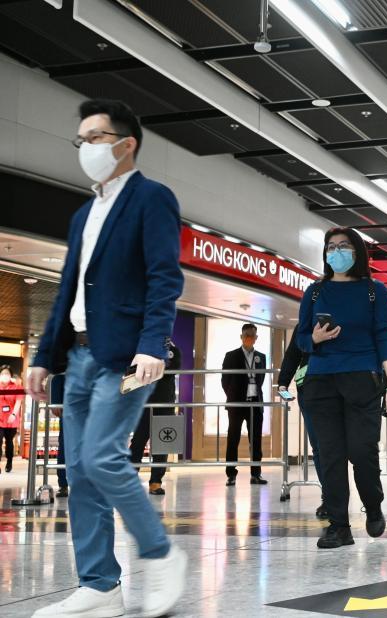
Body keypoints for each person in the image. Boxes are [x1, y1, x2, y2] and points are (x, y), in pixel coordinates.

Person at [26, 98, 187, 618]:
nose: (86, 148)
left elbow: (165, 276)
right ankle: (99, 585)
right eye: (82, 139)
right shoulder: (83, 213)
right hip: (79, 358)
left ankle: (163, 554)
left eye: (95, 137)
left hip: (123, 356)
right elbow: (67, 290)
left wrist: (151, 342)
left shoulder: (151, 199)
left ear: (125, 143)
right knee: (79, 472)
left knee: (101, 457)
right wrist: (43, 355)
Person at [296, 227, 387, 549]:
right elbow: (299, 338)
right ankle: (339, 526)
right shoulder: (314, 292)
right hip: (320, 380)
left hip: (361, 380)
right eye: (331, 246)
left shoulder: (374, 291)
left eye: (343, 246)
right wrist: (313, 338)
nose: (336, 251)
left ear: (357, 252)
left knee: (362, 451)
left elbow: (383, 337)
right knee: (329, 456)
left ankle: (373, 504)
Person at [279, 328, 328, 519]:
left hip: (339, 388)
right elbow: (293, 352)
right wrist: (283, 382)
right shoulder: (304, 325)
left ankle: (336, 493)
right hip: (309, 389)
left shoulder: (343, 316)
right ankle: (329, 495)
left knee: (333, 446)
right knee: (318, 446)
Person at [129, 339, 181, 495]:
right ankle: (130, 479)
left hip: (165, 402)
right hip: (143, 403)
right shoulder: (141, 347)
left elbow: (175, 367)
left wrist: (154, 367)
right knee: (137, 442)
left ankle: (156, 482)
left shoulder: (173, 350)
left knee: (163, 445)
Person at [222, 323, 268, 486]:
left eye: (252, 335)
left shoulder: (261, 357)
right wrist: (233, 397)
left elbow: (261, 380)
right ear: (241, 337)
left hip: (255, 403)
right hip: (236, 404)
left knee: (255, 440)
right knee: (233, 439)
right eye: (246, 335)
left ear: (256, 338)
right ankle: (231, 474)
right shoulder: (231, 356)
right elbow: (225, 381)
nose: (249, 338)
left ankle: (256, 474)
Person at [0, 365, 22, 473]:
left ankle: (9, 462)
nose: (5, 375)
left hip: (11, 419)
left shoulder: (17, 386)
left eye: (7, 373)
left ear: (11, 375)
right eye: (3, 373)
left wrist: (13, 414)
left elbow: (18, 402)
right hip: (0, 418)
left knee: (9, 442)